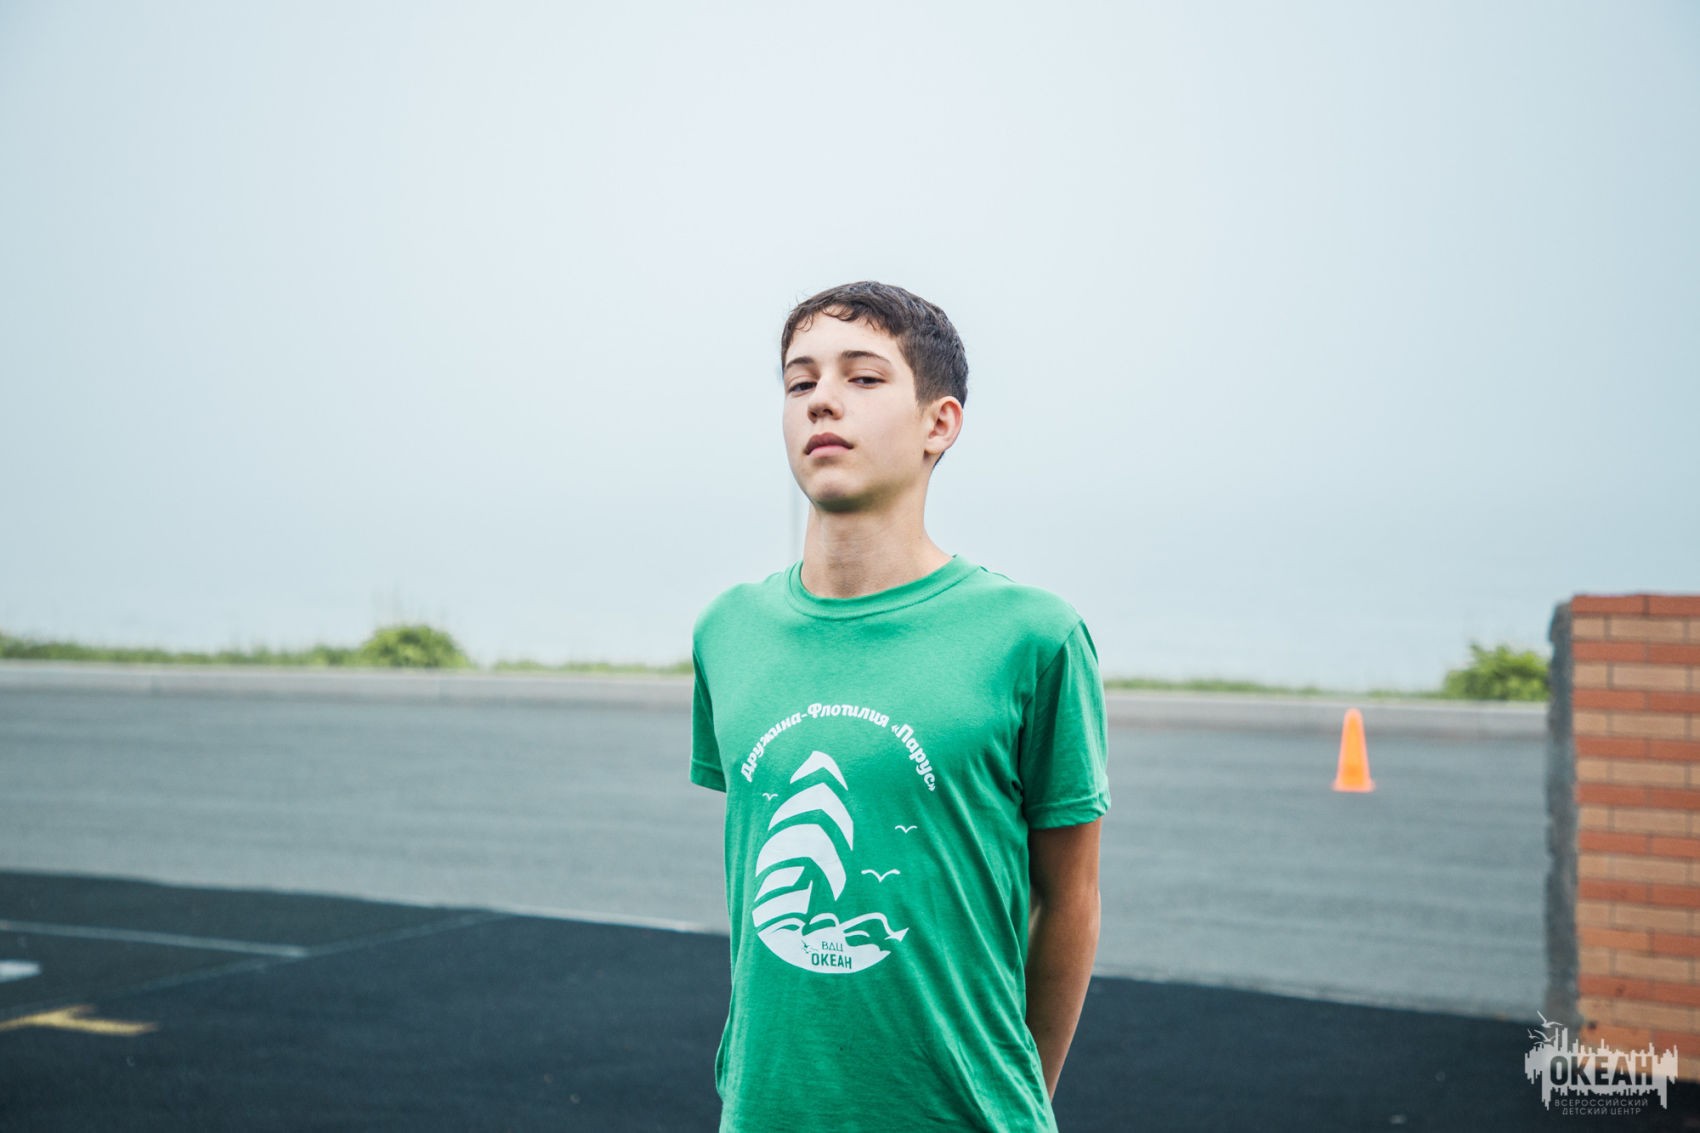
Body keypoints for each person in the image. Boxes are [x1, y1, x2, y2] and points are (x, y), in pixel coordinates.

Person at [688, 280, 1109, 1132]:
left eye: (863, 377)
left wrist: (1016, 1094)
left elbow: (1069, 898)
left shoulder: (1033, 635)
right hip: (765, 1113)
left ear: (939, 424)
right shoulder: (728, 630)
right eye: (800, 381)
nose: (822, 400)